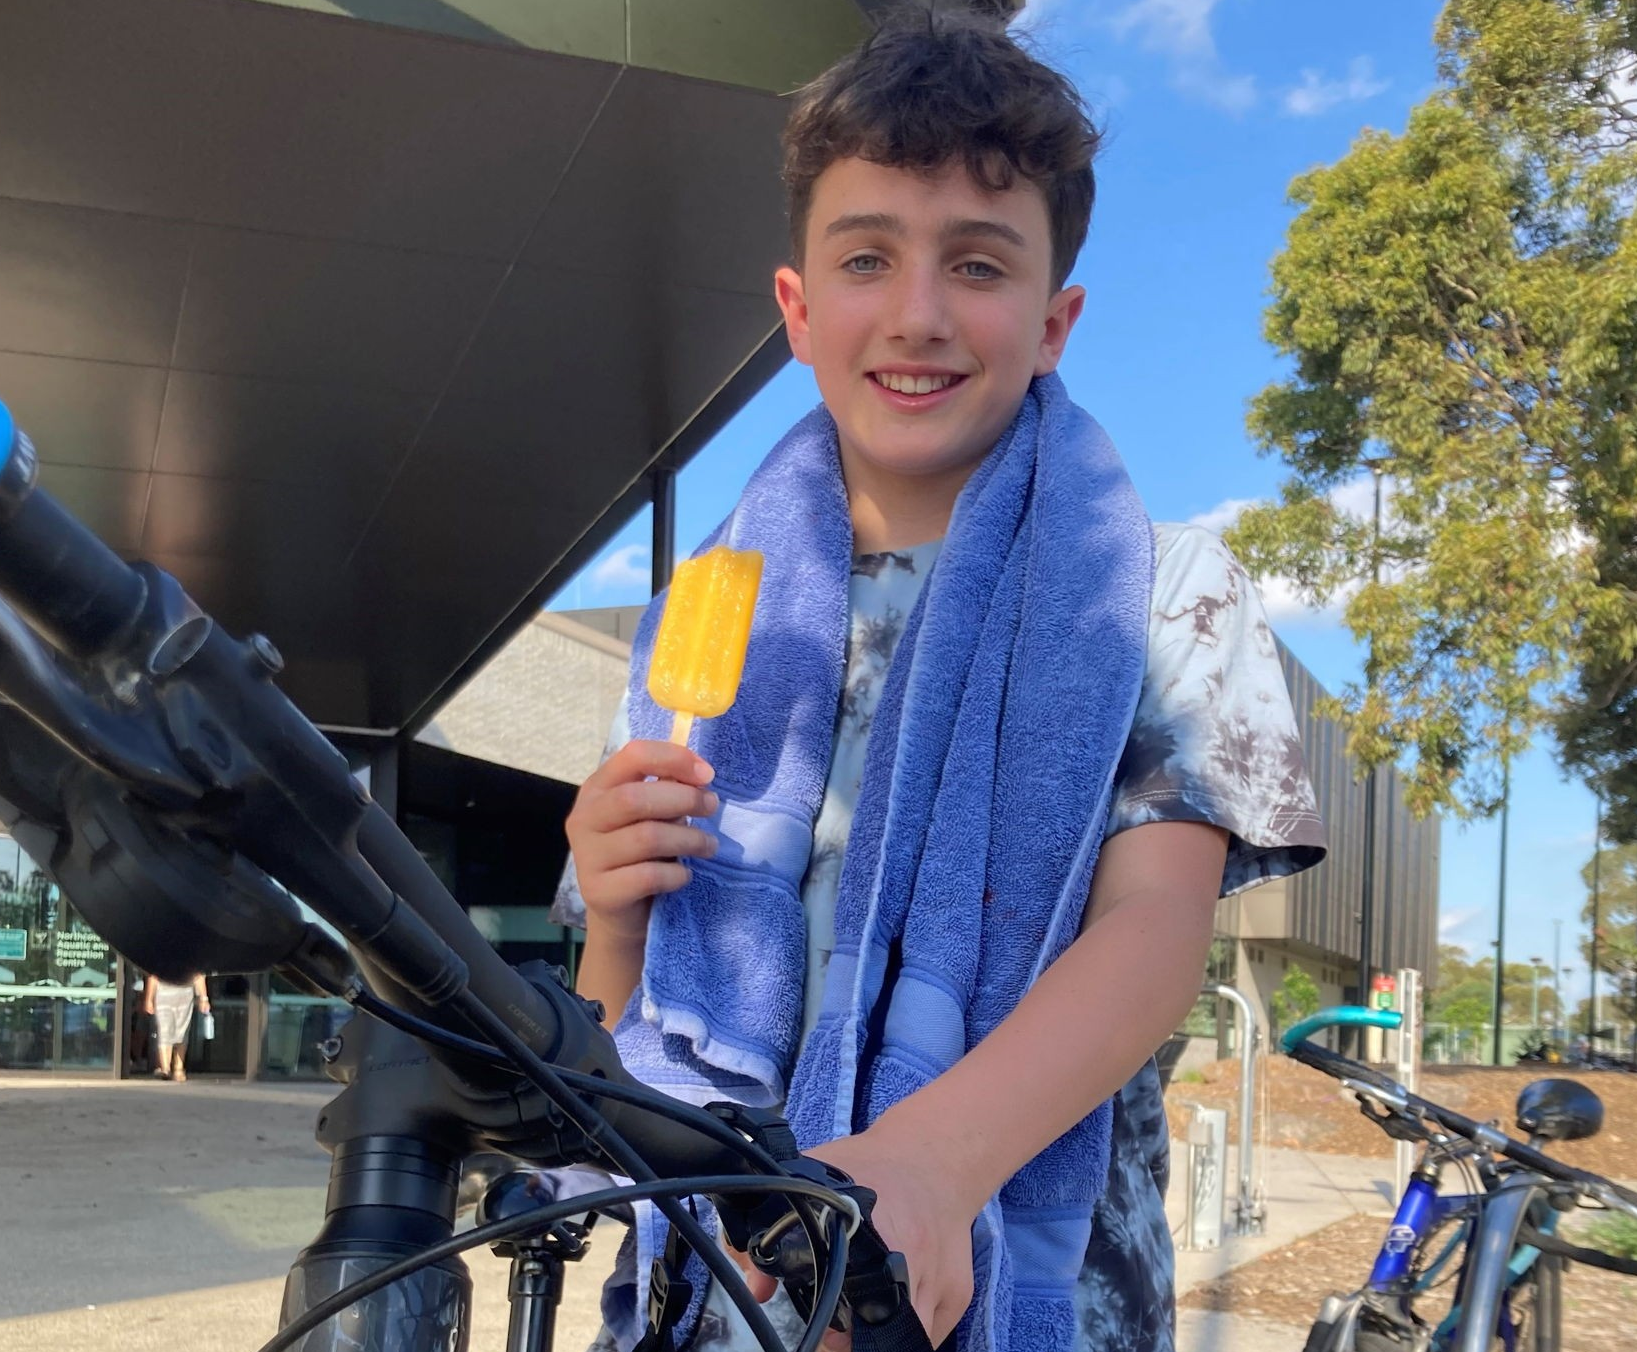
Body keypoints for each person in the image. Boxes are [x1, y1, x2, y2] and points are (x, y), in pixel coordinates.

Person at [553, 9, 1326, 1351]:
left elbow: (1151, 939)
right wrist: (613, 917)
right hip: (727, 1283)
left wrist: (923, 1163)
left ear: (1053, 321)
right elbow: (622, 1027)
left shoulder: (1164, 591)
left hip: (1033, 1279)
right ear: (797, 308)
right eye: (866, 257)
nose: (916, 314)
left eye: (977, 264)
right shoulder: (703, 618)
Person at [142, 971, 209, 1082]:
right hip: (163, 993)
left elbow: (198, 975)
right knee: (164, 1030)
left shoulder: (191, 955)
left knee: (182, 1031)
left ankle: (179, 1068)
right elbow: (153, 975)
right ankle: (165, 1068)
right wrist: (149, 999)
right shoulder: (160, 956)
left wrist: (203, 998)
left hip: (185, 993)